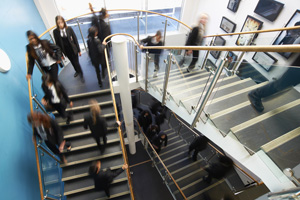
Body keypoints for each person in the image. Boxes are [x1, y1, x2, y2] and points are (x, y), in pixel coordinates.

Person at [53, 15, 84, 81]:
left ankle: (81, 73)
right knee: (72, 62)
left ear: (64, 22)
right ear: (57, 24)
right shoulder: (55, 32)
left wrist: (79, 50)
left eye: (61, 22)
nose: (61, 24)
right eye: (59, 23)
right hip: (66, 50)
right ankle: (77, 71)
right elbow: (57, 44)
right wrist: (61, 55)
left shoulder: (69, 28)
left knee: (76, 62)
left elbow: (75, 39)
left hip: (73, 48)